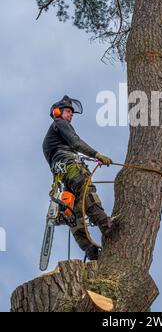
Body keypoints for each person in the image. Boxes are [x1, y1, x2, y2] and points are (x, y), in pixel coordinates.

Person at [43, 95, 116, 261]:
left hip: (63, 176)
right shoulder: (59, 123)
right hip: (71, 168)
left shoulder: (54, 138)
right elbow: (76, 142)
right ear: (57, 112)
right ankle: (106, 225)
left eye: (71, 113)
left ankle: (90, 250)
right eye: (68, 111)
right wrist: (96, 154)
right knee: (86, 193)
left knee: (74, 213)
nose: (71, 115)